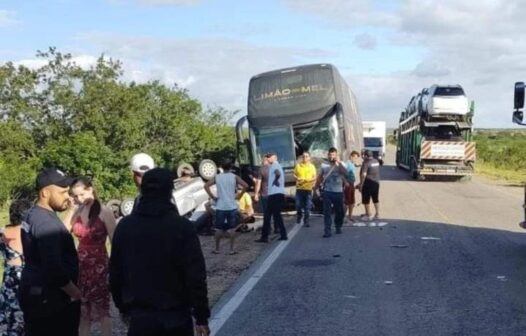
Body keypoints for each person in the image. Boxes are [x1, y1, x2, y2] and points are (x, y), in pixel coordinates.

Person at [109, 168, 210, 336]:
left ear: (142, 190)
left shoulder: (125, 226)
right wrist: (201, 317)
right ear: (170, 191)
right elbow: (195, 275)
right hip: (176, 316)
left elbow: (115, 273)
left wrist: (122, 307)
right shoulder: (181, 226)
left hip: (140, 316)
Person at [19, 168, 82, 336]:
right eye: (62, 192)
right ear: (45, 192)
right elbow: (53, 266)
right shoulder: (45, 224)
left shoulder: (34, 214)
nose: (67, 196)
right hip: (51, 301)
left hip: (38, 293)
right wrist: (75, 293)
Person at [67, 177, 117, 336]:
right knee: (83, 310)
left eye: (82, 194)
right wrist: (71, 209)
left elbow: (115, 241)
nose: (80, 199)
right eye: (76, 196)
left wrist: (115, 270)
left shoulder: (105, 211)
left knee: (103, 310)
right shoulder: (78, 210)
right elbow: (61, 231)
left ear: (90, 189)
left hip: (99, 265)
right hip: (80, 265)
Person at [0, 199, 31, 336]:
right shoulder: (28, 232)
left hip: (8, 278)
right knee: (25, 316)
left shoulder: (3, 232)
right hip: (26, 277)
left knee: (7, 315)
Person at [204, 160, 248, 255]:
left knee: (218, 229)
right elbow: (246, 185)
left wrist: (213, 197)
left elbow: (206, 186)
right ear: (231, 167)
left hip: (220, 206)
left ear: (221, 167)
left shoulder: (217, 177)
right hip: (231, 206)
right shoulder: (234, 177)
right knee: (232, 229)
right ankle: (231, 249)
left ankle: (217, 249)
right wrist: (240, 196)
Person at [314, 148, 349, 238]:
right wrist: (315, 188)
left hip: (338, 192)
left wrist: (339, 163)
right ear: (328, 155)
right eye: (330, 154)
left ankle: (338, 226)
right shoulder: (324, 165)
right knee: (327, 212)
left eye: (333, 154)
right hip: (327, 192)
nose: (331, 156)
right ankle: (327, 231)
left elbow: (346, 173)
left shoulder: (341, 164)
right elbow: (320, 177)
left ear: (336, 155)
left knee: (339, 212)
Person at [255, 152, 288, 242]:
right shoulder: (277, 166)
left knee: (271, 215)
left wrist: (276, 180)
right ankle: (267, 236)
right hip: (276, 194)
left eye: (270, 157)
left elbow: (277, 174)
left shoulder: (275, 166)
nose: (268, 159)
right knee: (272, 215)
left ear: (275, 157)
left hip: (275, 194)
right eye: (267, 157)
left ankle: (268, 236)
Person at [254, 154, 280, 233]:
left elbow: (258, 183)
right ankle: (277, 228)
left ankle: (268, 229)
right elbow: (279, 176)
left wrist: (256, 194)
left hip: (265, 194)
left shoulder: (261, 170)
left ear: (264, 161)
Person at [293, 151, 317, 227]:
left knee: (307, 207)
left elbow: (315, 177)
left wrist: (310, 180)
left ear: (309, 158)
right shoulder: (298, 166)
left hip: (308, 189)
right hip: (299, 189)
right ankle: (299, 215)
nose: (305, 158)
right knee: (298, 205)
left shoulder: (312, 166)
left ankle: (306, 221)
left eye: (306, 156)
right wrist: (297, 178)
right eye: (303, 156)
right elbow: (294, 175)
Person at [358, 150, 381, 221]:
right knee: (375, 199)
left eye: (363, 155)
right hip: (376, 183)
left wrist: (361, 184)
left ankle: (368, 215)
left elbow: (363, 174)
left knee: (366, 200)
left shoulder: (366, 163)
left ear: (366, 156)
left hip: (367, 183)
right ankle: (377, 214)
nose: (362, 156)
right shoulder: (376, 161)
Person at [344, 151, 361, 223]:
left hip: (352, 184)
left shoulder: (352, 164)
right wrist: (345, 182)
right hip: (347, 185)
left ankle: (350, 216)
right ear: (351, 156)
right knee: (346, 202)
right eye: (355, 157)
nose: (355, 159)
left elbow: (356, 164)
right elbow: (342, 174)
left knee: (352, 202)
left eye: (356, 158)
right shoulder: (346, 164)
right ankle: (343, 217)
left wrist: (358, 165)